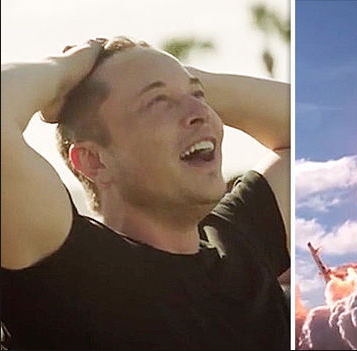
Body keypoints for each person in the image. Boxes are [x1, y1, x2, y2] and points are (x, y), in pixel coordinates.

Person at [1, 37, 290, 349]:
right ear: (94, 161)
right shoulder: (68, 272)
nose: (202, 112)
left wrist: (178, 76)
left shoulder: (239, 242)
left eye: (198, 97)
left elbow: (302, 128)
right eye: (157, 102)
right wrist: (67, 69)